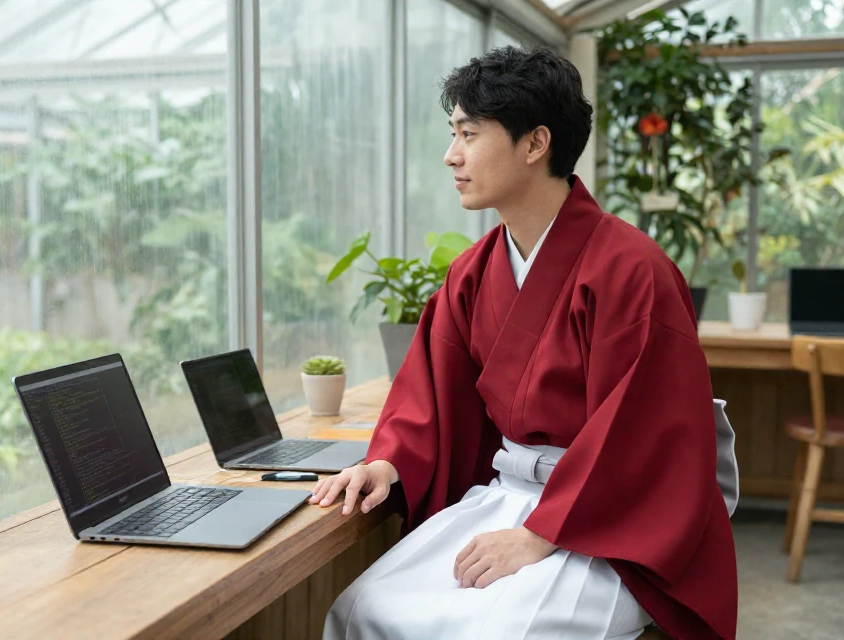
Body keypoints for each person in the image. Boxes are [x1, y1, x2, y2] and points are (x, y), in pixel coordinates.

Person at [313, 46, 739, 640]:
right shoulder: (472, 271)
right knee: (364, 609)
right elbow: (434, 393)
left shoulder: (631, 269)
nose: (450, 155)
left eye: (469, 133)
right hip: (506, 496)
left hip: (605, 522)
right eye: (452, 133)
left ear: (535, 144)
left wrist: (544, 533)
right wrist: (388, 461)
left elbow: (646, 433)